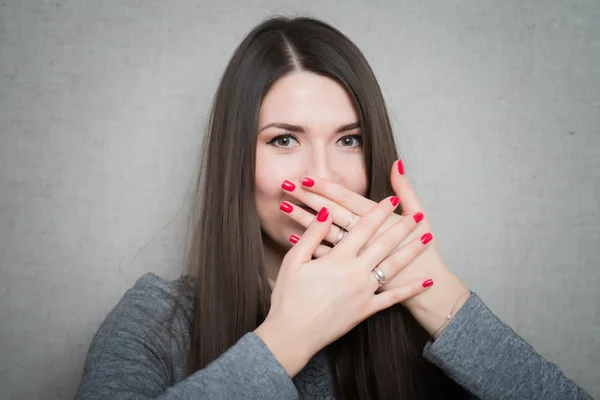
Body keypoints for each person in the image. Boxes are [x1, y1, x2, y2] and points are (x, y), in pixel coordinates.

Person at [75, 16, 593, 400]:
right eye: (283, 140)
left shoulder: (418, 323)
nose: (320, 176)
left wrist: (442, 300)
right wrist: (284, 342)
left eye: (349, 140)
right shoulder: (156, 322)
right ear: (235, 159)